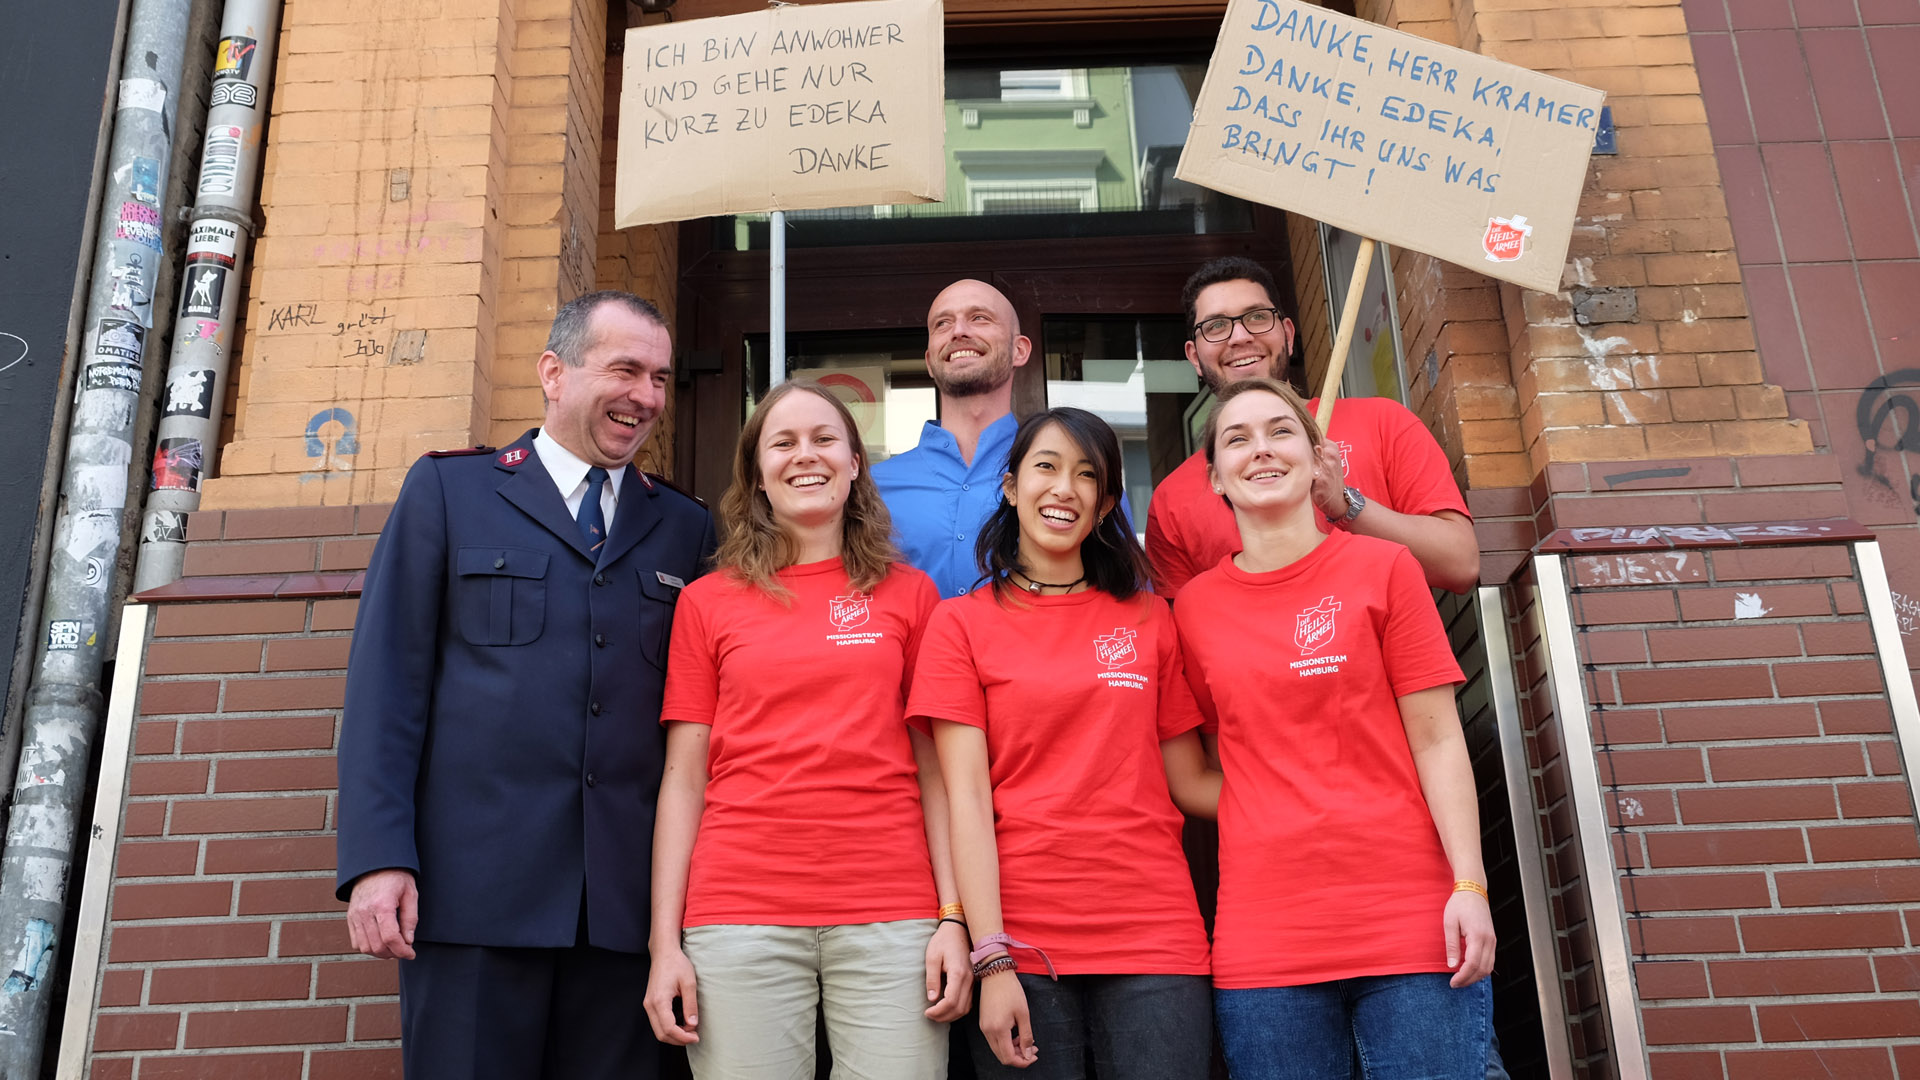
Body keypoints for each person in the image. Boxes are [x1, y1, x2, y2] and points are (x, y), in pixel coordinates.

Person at [336, 290, 716, 1080]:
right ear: (554, 371)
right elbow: (386, 691)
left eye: (659, 378)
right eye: (625, 369)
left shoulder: (685, 527)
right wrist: (378, 859)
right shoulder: (452, 493)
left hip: (624, 914)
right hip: (474, 897)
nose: (646, 396)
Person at [643, 379, 971, 1079]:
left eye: (825, 439)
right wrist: (663, 944)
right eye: (783, 442)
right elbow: (684, 777)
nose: (805, 456)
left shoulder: (911, 595)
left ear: (855, 462)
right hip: (738, 915)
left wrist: (952, 915)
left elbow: (937, 770)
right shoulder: (706, 604)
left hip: (891, 912)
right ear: (757, 474)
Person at [1171, 377, 1495, 1080]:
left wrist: (1470, 885)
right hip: (1266, 938)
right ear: (1215, 478)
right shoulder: (1191, 610)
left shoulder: (1385, 568)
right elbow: (1189, 773)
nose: (1261, 450)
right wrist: (1268, 807)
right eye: (1237, 438)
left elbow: (1438, 739)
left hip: (1411, 919)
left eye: (1281, 432)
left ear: (1319, 460)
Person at [911, 407, 1216, 1079]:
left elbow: (1191, 783)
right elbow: (966, 800)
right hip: (1022, 939)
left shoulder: (1149, 618)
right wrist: (991, 958)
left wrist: (1326, 779)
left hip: (1154, 933)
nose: (1064, 489)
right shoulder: (959, 625)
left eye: (1087, 476)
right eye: (1045, 467)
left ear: (1107, 503)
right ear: (1012, 485)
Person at [1146, 256, 1479, 598]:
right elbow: (1187, 636)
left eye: (1257, 317)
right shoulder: (1173, 500)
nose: (1240, 336)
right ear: (1194, 357)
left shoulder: (1382, 421)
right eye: (1216, 326)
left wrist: (1345, 505)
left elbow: (1460, 564)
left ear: (1288, 335)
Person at [871, 279, 1034, 599]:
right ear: (930, 361)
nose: (958, 331)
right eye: (942, 323)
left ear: (1020, 350)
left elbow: (1121, 605)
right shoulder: (870, 489)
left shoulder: (1070, 478)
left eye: (979, 318)